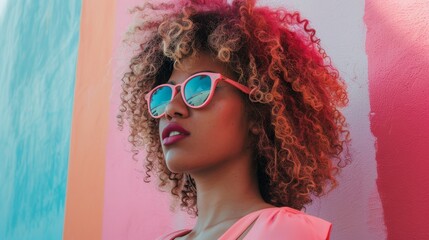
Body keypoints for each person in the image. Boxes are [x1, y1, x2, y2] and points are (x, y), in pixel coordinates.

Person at [118, 0, 350, 239]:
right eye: (162, 96)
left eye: (198, 88)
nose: (171, 109)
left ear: (257, 112)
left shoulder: (285, 232)